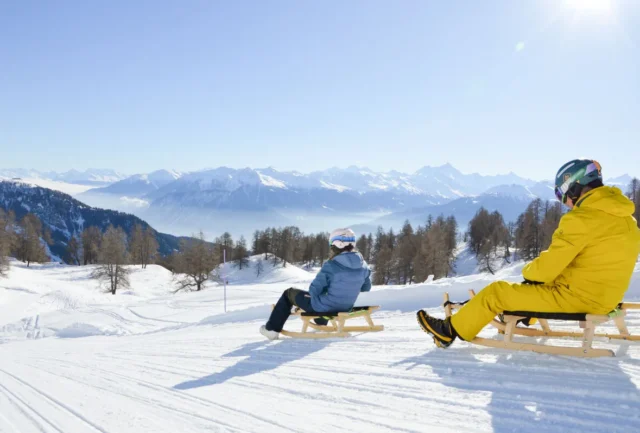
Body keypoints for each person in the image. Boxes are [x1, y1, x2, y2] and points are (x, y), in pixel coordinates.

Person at [417, 159, 640, 348]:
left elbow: (545, 270)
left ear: (574, 187)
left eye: (563, 195)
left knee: (496, 292)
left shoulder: (581, 220)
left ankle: (448, 331)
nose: (566, 203)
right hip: (607, 299)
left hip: (579, 300)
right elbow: (590, 264)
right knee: (536, 287)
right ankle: (526, 313)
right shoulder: (627, 221)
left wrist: (529, 271)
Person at [260, 228, 372, 340]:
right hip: (346, 307)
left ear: (337, 244)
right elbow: (366, 287)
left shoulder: (332, 265)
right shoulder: (364, 265)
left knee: (289, 293)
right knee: (323, 299)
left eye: (332, 245)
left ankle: (272, 329)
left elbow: (314, 290)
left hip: (324, 307)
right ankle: (321, 324)